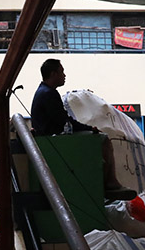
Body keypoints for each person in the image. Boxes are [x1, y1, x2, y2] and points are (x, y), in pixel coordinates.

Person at [30, 59, 137, 201]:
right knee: (103, 140)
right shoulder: (49, 94)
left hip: (48, 138)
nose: (64, 75)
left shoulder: (42, 92)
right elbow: (64, 122)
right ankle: (110, 182)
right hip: (53, 141)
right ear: (53, 74)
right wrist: (89, 128)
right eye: (62, 71)